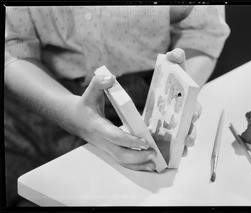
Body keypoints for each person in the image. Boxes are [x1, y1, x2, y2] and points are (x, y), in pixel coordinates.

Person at [4, 5, 230, 206]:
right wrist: (69, 114)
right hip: (39, 101)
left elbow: (201, 31)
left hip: (148, 93)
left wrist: (180, 95)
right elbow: (13, 46)